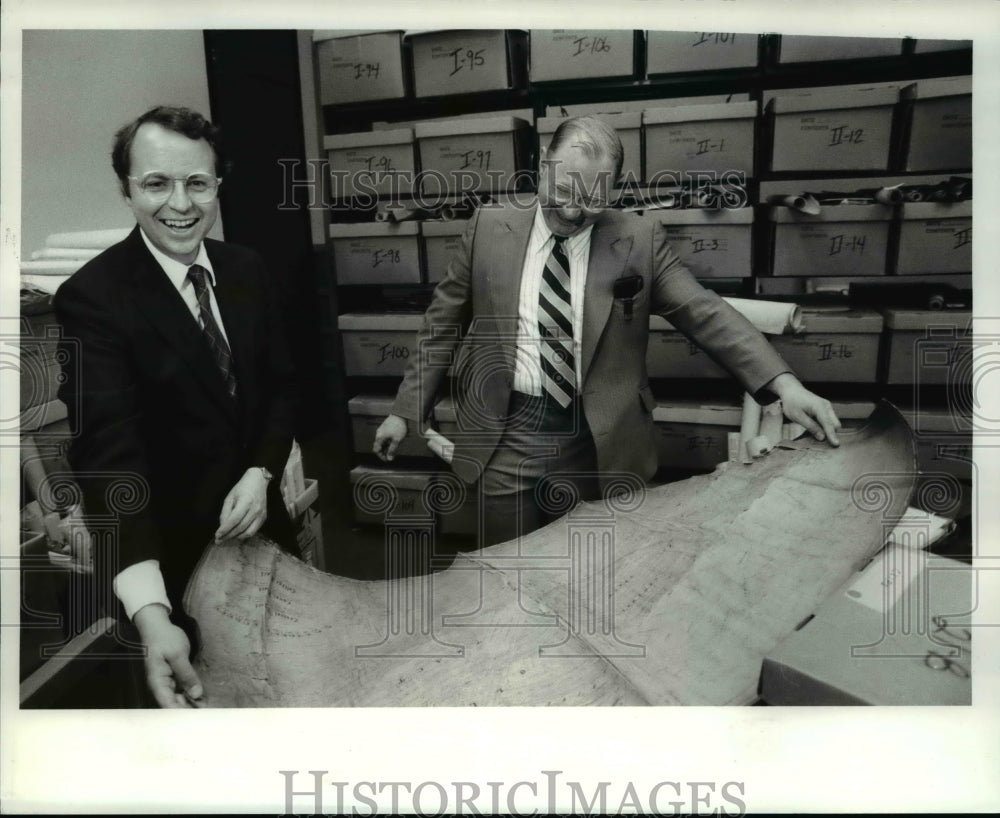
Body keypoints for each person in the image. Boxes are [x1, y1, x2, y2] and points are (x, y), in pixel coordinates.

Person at [374, 116, 841, 543]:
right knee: (506, 566)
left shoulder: (638, 239)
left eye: (592, 200)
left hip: (596, 439)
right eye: (563, 191)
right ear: (542, 163)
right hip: (504, 432)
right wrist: (405, 411)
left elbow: (705, 312)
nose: (574, 212)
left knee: (590, 567)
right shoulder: (487, 227)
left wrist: (784, 384)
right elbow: (441, 324)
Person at [54, 105, 296, 707]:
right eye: (156, 184)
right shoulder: (92, 298)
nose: (180, 204)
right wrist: (151, 611)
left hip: (268, 545)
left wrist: (260, 471)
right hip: (171, 568)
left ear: (218, 184)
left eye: (197, 183)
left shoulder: (246, 269)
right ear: (126, 190)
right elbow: (110, 458)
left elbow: (280, 391)